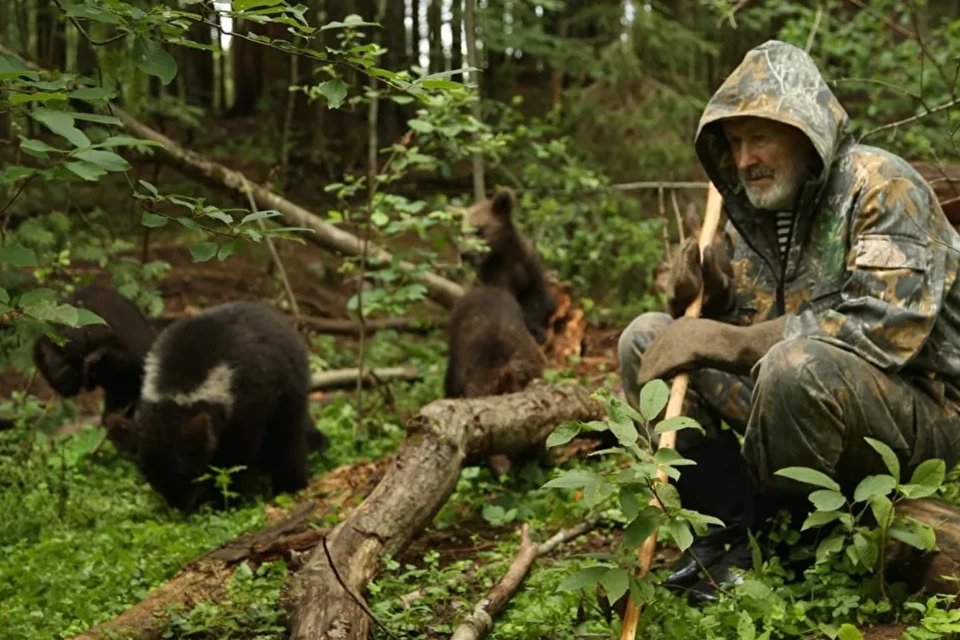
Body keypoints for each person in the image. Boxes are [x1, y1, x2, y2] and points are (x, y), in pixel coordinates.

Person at [618, 39, 960, 604]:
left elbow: (881, 329)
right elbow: (741, 336)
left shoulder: (882, 185)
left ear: (805, 133)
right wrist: (708, 302)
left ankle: (787, 549)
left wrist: (727, 338)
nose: (745, 157)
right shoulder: (748, 210)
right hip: (800, 401)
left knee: (795, 365)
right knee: (646, 339)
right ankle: (724, 532)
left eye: (760, 138)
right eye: (734, 141)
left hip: (923, 408)